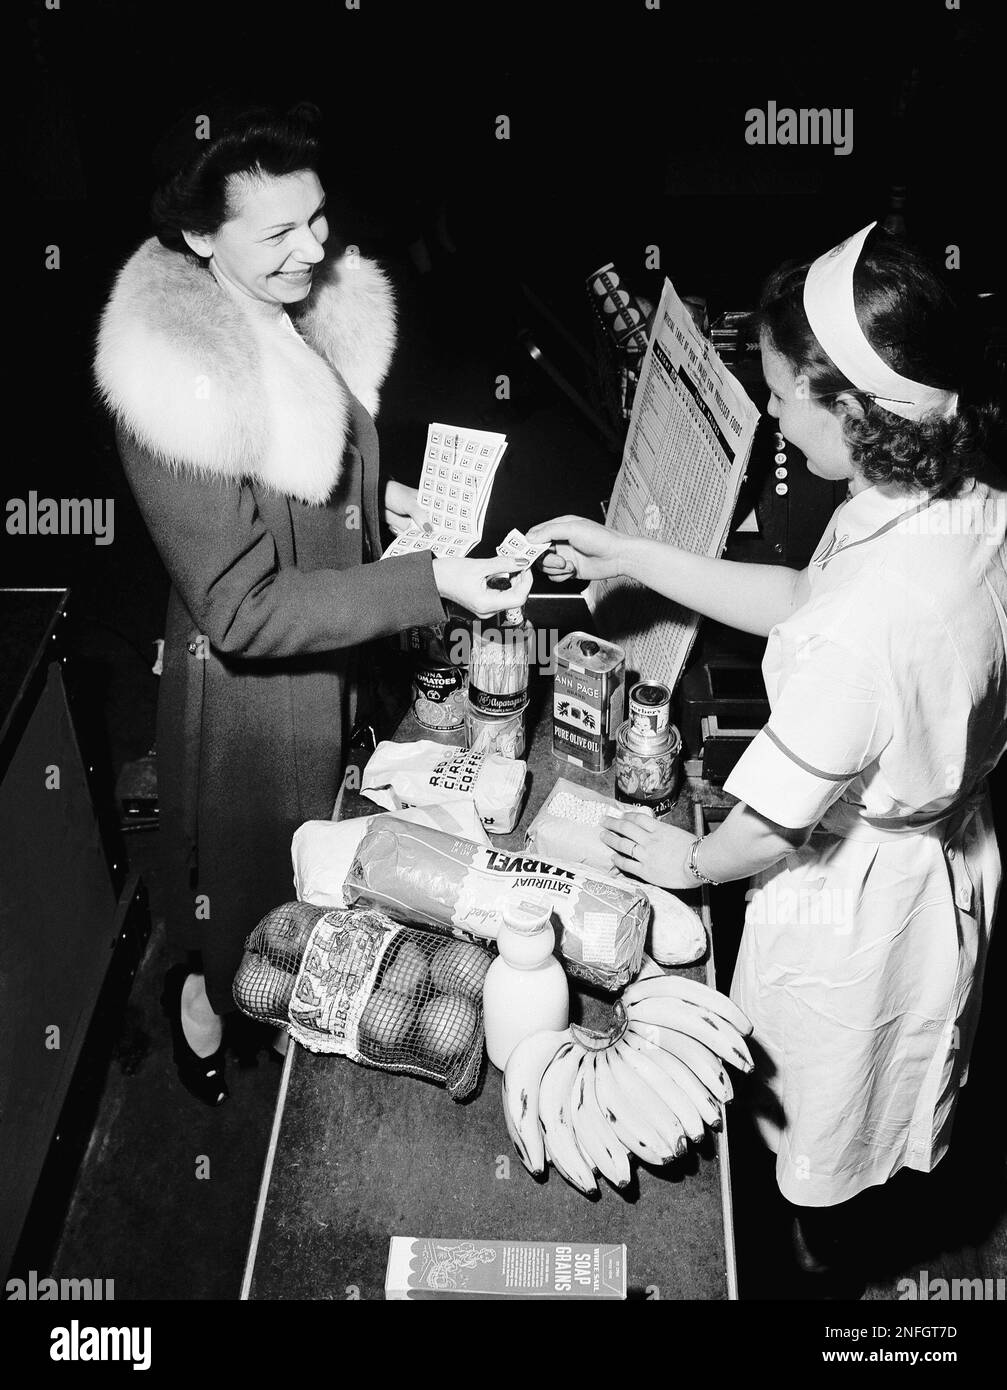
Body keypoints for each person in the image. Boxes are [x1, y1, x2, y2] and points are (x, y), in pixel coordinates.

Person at [529, 223, 1006, 1285]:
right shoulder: (954, 504)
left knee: (819, 1120)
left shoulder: (864, 632)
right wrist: (636, 556)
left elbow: (769, 824)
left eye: (785, 395)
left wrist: (681, 863)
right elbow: (801, 597)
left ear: (852, 407)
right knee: (876, 1094)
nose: (774, 420)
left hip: (857, 902)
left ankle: (818, 1269)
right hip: (936, 854)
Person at [94, 104, 530, 1106]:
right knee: (249, 891)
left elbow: (309, 478)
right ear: (201, 237)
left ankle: (301, 998)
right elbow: (240, 609)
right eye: (279, 232)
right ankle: (198, 1006)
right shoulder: (176, 385)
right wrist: (425, 583)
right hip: (256, 700)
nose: (316, 247)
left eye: (318, 217)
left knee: (335, 870)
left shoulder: (288, 307)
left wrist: (376, 508)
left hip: (342, 652)